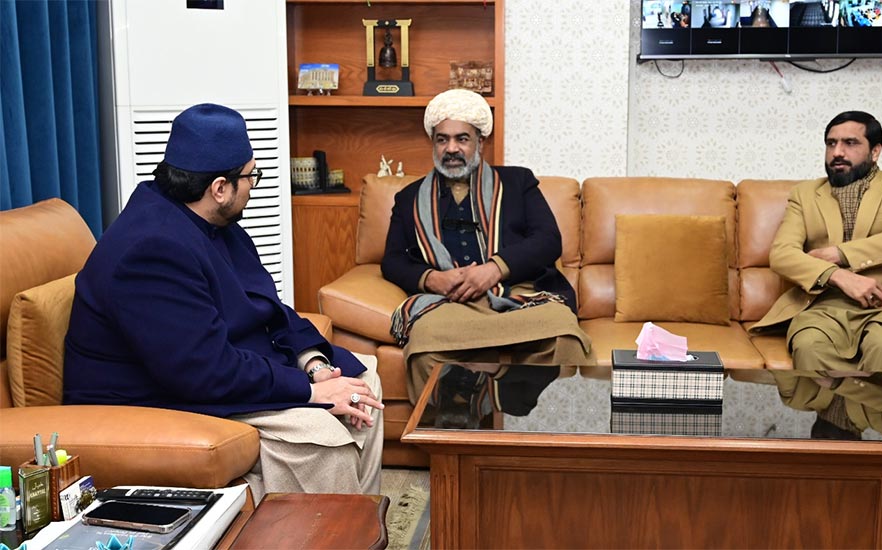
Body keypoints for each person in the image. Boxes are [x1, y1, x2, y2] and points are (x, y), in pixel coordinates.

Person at [63, 103, 383, 500]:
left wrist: (315, 365)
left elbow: (270, 308)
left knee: (364, 379)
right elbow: (202, 370)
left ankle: (362, 521)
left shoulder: (214, 223)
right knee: (321, 439)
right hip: (152, 398)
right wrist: (308, 391)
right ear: (219, 188)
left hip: (220, 365)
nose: (253, 185)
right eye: (252, 176)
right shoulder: (150, 248)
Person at [382, 89, 591, 402]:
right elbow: (393, 260)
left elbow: (548, 241)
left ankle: (537, 429)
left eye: (462, 139)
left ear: (481, 141)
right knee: (424, 343)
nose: (451, 149)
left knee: (564, 334)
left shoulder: (518, 183)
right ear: (433, 143)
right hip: (449, 304)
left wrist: (494, 269)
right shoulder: (409, 198)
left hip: (518, 297)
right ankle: (448, 441)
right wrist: (432, 279)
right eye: (442, 139)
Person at [749, 111, 882, 439]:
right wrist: (839, 276)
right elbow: (782, 253)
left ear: (875, 150)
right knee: (809, 346)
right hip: (825, 303)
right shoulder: (805, 194)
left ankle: (876, 435)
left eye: (850, 143)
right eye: (831, 143)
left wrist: (841, 254)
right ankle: (857, 427)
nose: (837, 151)